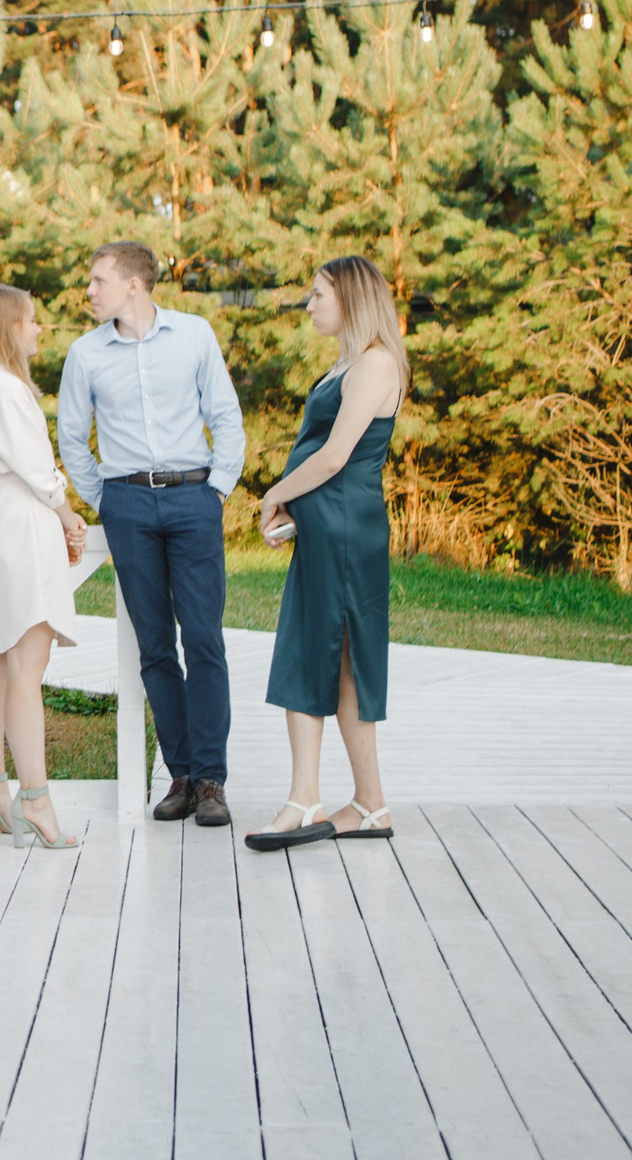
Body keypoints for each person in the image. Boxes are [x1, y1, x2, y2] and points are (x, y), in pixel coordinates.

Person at [57, 240, 246, 828]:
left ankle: (212, 779)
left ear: (133, 284)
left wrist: (216, 489)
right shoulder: (84, 354)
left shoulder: (194, 335)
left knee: (205, 639)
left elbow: (225, 416)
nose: (88, 291)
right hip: (129, 504)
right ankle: (182, 775)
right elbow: (71, 439)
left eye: (97, 280)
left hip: (194, 497)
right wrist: (105, 502)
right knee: (155, 647)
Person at [246, 256, 407, 852]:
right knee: (331, 663)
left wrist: (274, 495)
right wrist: (293, 506)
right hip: (328, 529)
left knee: (322, 657)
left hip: (345, 531)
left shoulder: (374, 364)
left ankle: (310, 799)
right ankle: (363, 803)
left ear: (351, 298)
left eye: (317, 295)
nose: (309, 304)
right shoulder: (349, 363)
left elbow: (336, 456)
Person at [0, 285, 87, 851]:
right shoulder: (6, 388)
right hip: (24, 520)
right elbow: (37, 468)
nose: (38, 330)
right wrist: (67, 514)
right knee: (26, 666)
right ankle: (35, 797)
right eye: (32, 321)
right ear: (9, 326)